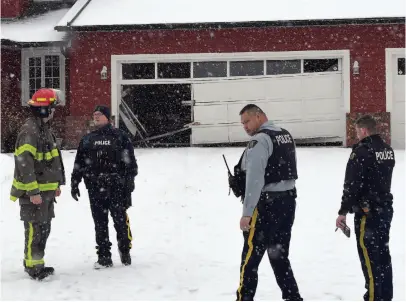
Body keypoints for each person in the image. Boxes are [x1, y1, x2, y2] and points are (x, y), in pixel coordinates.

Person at [228, 104, 303, 301]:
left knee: (250, 257)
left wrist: (247, 213)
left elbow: (255, 179)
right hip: (287, 202)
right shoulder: (284, 134)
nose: (244, 126)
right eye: (242, 123)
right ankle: (292, 296)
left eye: (247, 121)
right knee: (278, 254)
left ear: (259, 116)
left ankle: (244, 298)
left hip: (266, 206)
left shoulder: (260, 140)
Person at [336, 115, 395, 301]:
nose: (356, 135)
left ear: (363, 130)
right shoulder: (387, 150)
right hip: (385, 209)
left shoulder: (361, 151)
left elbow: (351, 185)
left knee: (369, 258)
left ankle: (373, 296)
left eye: (356, 131)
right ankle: (385, 296)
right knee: (383, 254)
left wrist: (343, 211)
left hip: (367, 213)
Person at [71, 105, 138, 269]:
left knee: (120, 221)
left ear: (108, 118)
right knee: (100, 223)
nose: (96, 117)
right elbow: (79, 162)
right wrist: (75, 182)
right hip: (95, 187)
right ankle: (104, 256)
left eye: (100, 114)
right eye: (94, 114)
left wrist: (128, 185)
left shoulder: (120, 137)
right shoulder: (87, 139)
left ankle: (125, 251)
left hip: (116, 187)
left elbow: (131, 164)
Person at [9, 88, 66, 280]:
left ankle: (37, 262)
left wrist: (56, 184)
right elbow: (25, 163)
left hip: (45, 191)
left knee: (43, 228)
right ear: (43, 110)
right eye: (51, 108)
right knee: (35, 229)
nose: (53, 112)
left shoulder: (42, 129)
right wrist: (33, 191)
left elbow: (51, 159)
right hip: (34, 193)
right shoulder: (30, 131)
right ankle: (33, 266)